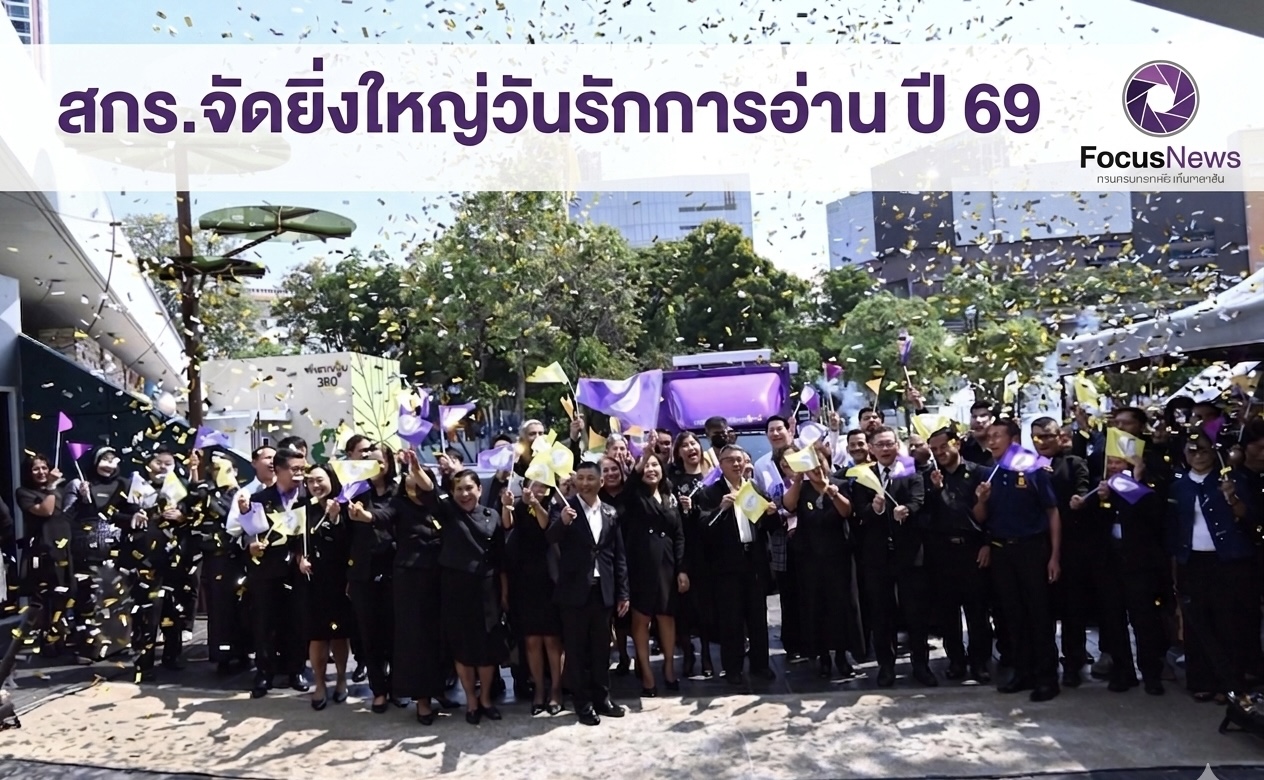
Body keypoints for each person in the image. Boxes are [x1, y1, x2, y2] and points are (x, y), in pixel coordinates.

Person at [411, 456, 508, 725]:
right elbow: (429, 490)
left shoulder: (492, 515)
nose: (464, 494)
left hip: (487, 590)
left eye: (469, 488)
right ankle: (471, 701)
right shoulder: (448, 511)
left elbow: (501, 559)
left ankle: (485, 699)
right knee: (463, 649)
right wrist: (416, 469)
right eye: (459, 490)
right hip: (455, 589)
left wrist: (504, 593)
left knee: (487, 651)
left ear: (479, 489)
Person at [1168, 431, 1258, 703]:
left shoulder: (1231, 480)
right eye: (1192, 451)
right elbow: (1173, 526)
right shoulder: (1178, 485)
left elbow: (1250, 516)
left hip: (1226, 559)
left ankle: (1229, 683)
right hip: (1192, 560)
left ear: (1213, 452)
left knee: (1228, 621)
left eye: (1203, 450)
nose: (1198, 456)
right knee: (1197, 622)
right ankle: (1201, 680)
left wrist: (1232, 498)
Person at [975, 419, 1061, 702]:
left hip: (1032, 550)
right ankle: (1023, 672)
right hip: (1002, 551)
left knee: (1039, 614)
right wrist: (981, 499)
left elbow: (1052, 512)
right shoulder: (990, 472)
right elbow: (979, 517)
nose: (991, 441)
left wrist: (1054, 556)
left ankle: (1047, 678)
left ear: (1013, 439)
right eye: (989, 436)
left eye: (997, 435)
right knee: (1013, 615)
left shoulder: (1033, 468)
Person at [1070, 454, 1168, 695]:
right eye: (1110, 462)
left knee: (1144, 621)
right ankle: (1123, 672)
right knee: (1113, 621)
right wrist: (1089, 503)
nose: (1113, 467)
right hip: (1108, 564)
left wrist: (1134, 484)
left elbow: (1154, 518)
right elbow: (1090, 523)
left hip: (1139, 565)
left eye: (1119, 462)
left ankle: (1151, 674)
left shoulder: (1146, 488)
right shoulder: (1099, 487)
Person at [849, 427, 934, 688]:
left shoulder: (910, 472)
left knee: (915, 612)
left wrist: (906, 510)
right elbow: (859, 511)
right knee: (881, 614)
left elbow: (919, 500)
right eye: (880, 445)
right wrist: (874, 510)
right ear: (871, 449)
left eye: (890, 444)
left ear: (898, 445)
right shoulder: (864, 476)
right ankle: (886, 667)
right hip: (877, 557)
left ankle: (921, 665)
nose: (885, 449)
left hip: (909, 554)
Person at [547, 460, 630, 726]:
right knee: (576, 651)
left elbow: (618, 555)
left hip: (603, 591)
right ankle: (582, 704)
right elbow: (550, 538)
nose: (584, 483)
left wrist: (623, 593)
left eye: (590, 478)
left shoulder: (610, 512)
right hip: (574, 592)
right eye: (580, 478)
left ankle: (602, 699)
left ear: (600, 482)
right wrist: (562, 522)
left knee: (601, 650)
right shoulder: (564, 508)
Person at [699, 444, 778, 684]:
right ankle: (732, 668)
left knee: (757, 618)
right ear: (721, 464)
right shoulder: (711, 493)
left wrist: (772, 513)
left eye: (739, 460)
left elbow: (770, 527)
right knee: (731, 619)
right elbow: (703, 528)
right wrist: (721, 509)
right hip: (726, 565)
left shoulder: (753, 488)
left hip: (754, 562)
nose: (736, 464)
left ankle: (760, 665)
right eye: (730, 460)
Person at [235, 446, 310, 699]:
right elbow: (249, 533)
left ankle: (296, 670)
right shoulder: (259, 499)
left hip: (298, 570)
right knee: (264, 622)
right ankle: (264, 672)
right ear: (278, 470)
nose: (299, 475)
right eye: (294, 469)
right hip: (266, 570)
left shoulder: (307, 497)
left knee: (297, 621)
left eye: (302, 469)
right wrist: (251, 546)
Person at [392, 449, 456, 725]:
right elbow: (379, 516)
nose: (416, 490)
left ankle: (440, 689)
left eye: (420, 484)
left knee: (442, 638)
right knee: (418, 640)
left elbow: (432, 490)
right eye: (411, 486)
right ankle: (422, 700)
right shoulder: (399, 506)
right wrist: (365, 516)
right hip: (411, 581)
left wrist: (417, 469)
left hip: (441, 578)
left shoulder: (440, 503)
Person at [781, 443, 855, 680]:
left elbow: (846, 512)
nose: (816, 468)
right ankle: (822, 657)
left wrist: (830, 491)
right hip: (809, 558)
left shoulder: (840, 484)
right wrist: (798, 479)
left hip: (837, 557)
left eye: (820, 462)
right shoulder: (802, 489)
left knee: (839, 607)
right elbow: (788, 505)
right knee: (815, 607)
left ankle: (842, 655)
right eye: (811, 464)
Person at [924, 427, 993, 684]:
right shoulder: (930, 476)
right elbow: (926, 514)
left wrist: (988, 544)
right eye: (934, 449)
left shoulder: (980, 473)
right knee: (947, 613)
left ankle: (980, 662)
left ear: (957, 444)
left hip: (973, 550)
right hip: (942, 552)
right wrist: (935, 489)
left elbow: (991, 513)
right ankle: (955, 660)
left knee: (977, 612)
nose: (940, 453)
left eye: (944, 446)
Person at [1030, 417, 1092, 688]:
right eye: (1037, 437)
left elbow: (1083, 490)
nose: (1042, 442)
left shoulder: (1073, 463)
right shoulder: (1027, 466)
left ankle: (1073, 662)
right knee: (1041, 609)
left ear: (1060, 436)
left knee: (1072, 609)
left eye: (1047, 436)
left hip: (1071, 547)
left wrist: (1080, 500)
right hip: (1035, 546)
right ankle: (1044, 662)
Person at [622, 451, 689, 696]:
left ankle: (669, 667)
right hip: (641, 565)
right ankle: (647, 673)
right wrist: (640, 460)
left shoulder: (671, 498)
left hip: (667, 565)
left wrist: (682, 569)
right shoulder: (635, 495)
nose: (651, 469)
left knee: (666, 617)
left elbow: (679, 535)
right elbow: (629, 487)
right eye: (646, 466)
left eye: (655, 465)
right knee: (641, 619)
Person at [500, 479, 564, 715]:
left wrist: (536, 504)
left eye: (542, 486)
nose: (538, 489)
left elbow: (547, 527)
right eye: (534, 485)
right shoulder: (518, 505)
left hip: (549, 580)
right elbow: (507, 525)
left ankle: (556, 689)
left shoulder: (555, 506)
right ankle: (538, 689)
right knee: (531, 641)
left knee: (552, 640)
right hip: (524, 581)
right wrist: (506, 506)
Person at [344, 441, 399, 713]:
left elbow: (391, 515)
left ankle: (398, 685)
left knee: (395, 633)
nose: (374, 465)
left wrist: (368, 516)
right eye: (368, 460)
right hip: (362, 573)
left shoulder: (399, 490)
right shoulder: (355, 490)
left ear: (388, 464)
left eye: (379, 460)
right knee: (369, 634)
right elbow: (345, 534)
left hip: (393, 570)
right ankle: (378, 690)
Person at [299, 464, 354, 710]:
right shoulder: (303, 508)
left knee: (339, 634)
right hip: (313, 581)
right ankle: (320, 684)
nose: (315, 485)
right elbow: (294, 539)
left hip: (339, 580)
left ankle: (341, 678)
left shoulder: (345, 505)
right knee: (317, 636)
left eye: (320, 480)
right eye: (310, 481)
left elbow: (350, 541)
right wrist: (300, 559)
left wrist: (335, 517)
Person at [14, 454, 75, 655]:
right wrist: (50, 487)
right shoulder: (24, 492)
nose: (41, 472)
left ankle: (60, 638)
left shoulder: (58, 489)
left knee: (63, 595)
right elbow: (46, 510)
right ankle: (46, 641)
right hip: (42, 550)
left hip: (62, 548)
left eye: (44, 468)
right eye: (36, 469)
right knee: (43, 598)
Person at [669, 432, 715, 679]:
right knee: (684, 607)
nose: (690, 448)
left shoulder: (712, 477)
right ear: (679, 452)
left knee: (706, 606)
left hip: (708, 550)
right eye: (684, 445)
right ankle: (688, 653)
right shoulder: (673, 480)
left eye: (693, 444)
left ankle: (707, 654)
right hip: (682, 548)